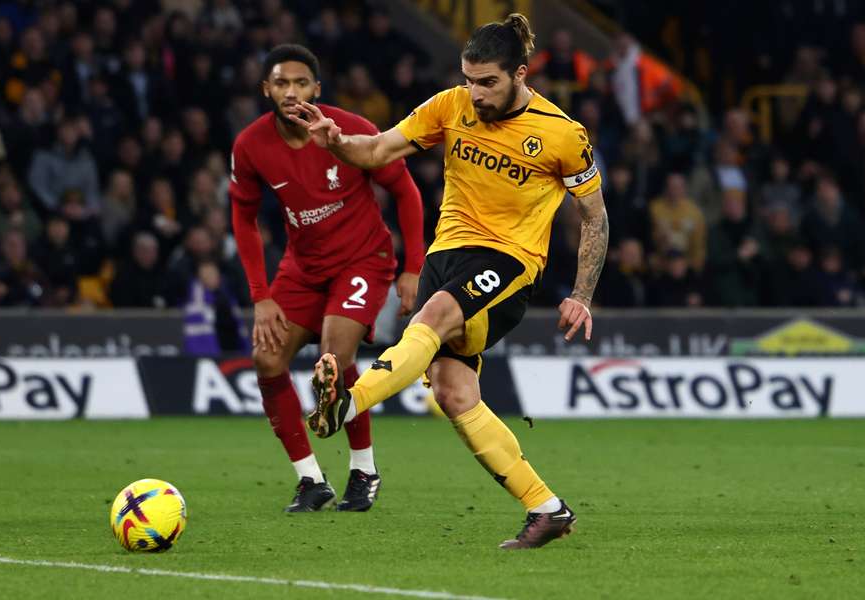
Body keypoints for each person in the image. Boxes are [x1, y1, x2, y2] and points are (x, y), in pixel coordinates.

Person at [292, 14, 608, 549]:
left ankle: (346, 404)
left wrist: (580, 295)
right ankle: (547, 508)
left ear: (520, 74)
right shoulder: (450, 105)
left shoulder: (562, 135)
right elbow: (376, 151)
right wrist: (335, 140)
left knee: (433, 317)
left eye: (487, 82)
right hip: (449, 254)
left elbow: (595, 218)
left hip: (509, 262)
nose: (475, 93)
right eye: (468, 79)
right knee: (454, 393)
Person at [229, 44, 425, 513]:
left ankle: (363, 469)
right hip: (303, 268)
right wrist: (260, 297)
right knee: (267, 359)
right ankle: (311, 480)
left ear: (317, 88)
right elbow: (243, 218)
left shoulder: (352, 130)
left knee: (333, 360)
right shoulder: (251, 146)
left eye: (301, 83)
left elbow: (406, 191)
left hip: (363, 260)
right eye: (281, 83)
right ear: (266, 90)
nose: (291, 92)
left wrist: (414, 267)